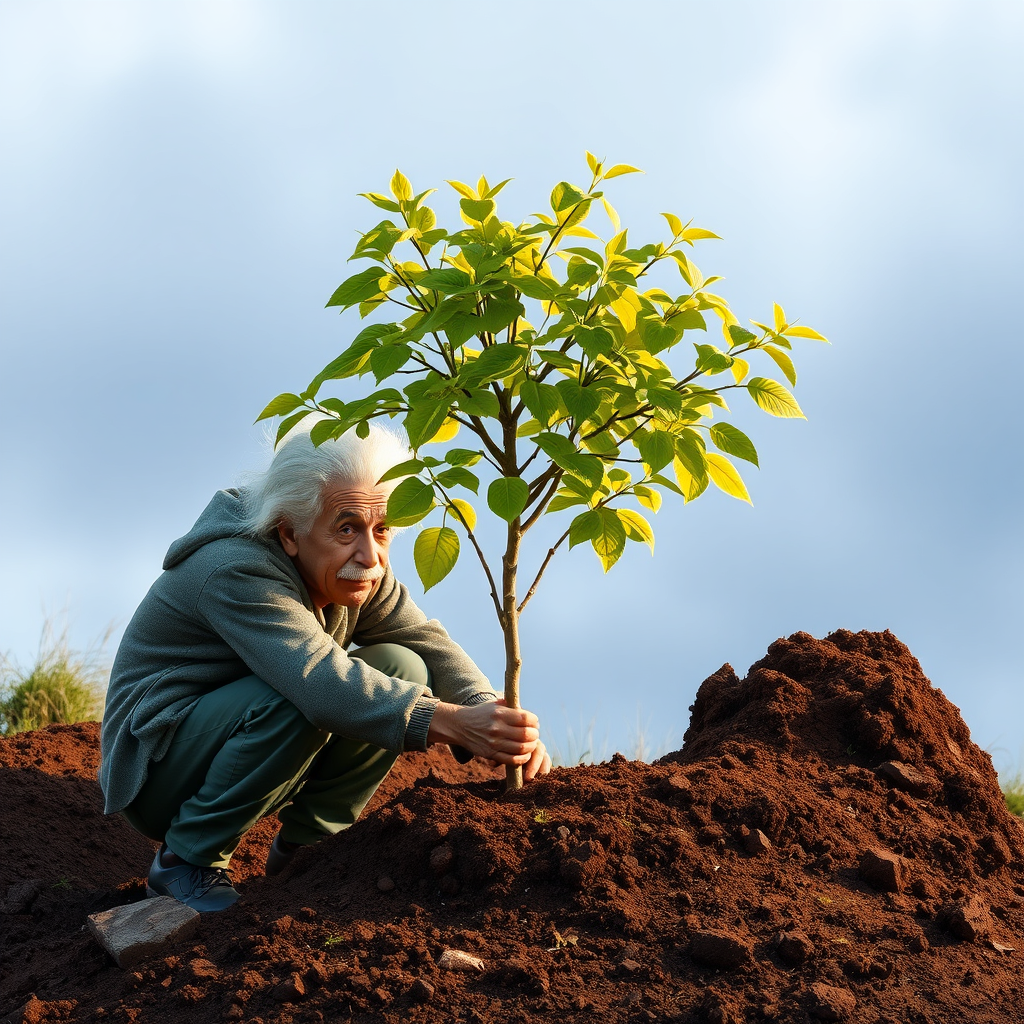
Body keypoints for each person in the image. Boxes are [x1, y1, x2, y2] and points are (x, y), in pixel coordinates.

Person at [99, 423, 550, 912]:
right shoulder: (235, 567)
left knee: (404, 664)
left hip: (240, 739)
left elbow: (424, 639)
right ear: (290, 532)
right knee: (304, 695)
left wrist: (491, 712)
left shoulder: (357, 569)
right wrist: (453, 724)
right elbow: (316, 679)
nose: (370, 555)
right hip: (159, 764)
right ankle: (186, 861)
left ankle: (309, 849)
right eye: (347, 528)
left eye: (383, 530)